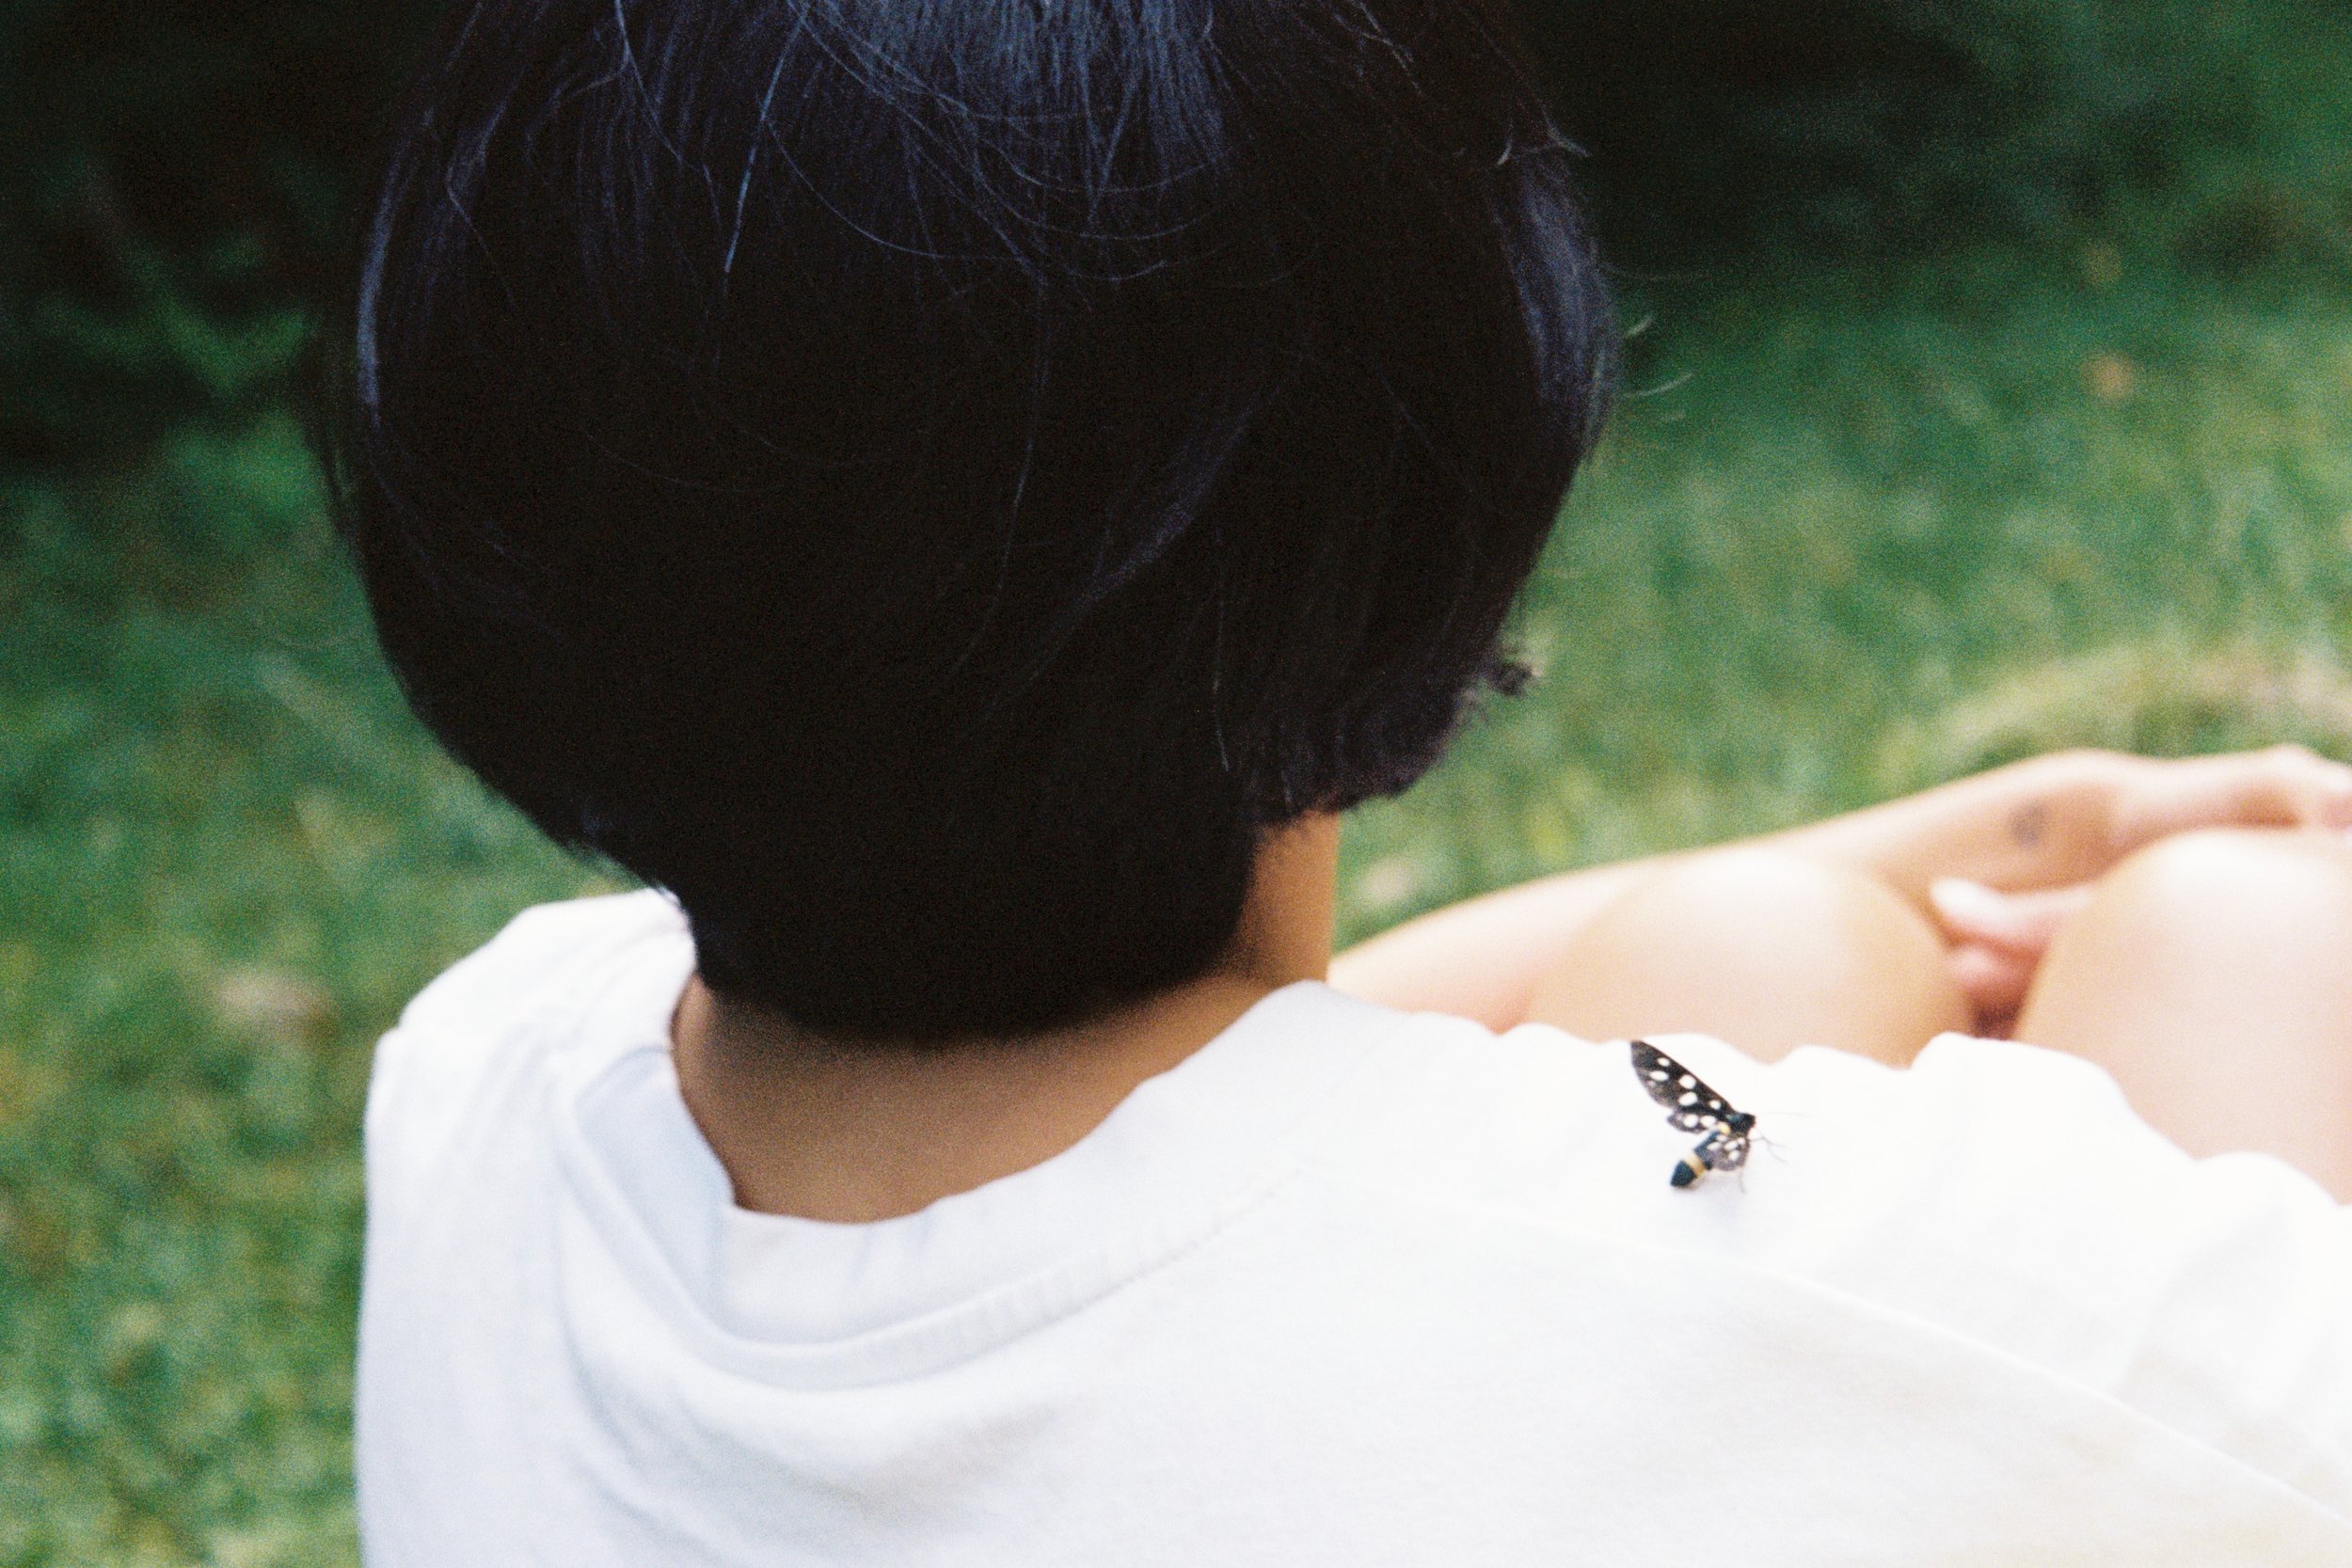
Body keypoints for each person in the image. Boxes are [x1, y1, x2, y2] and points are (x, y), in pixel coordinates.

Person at [334, 0, 2352, 1560]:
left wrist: (2007, 836)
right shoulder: (1904, 1297)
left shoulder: (480, 1081)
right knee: (2250, 928)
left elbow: (1188, 1163)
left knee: (1752, 933)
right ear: (1446, 476)